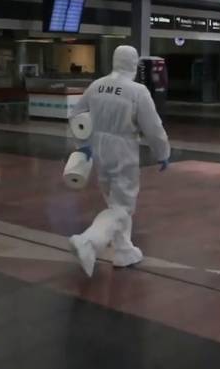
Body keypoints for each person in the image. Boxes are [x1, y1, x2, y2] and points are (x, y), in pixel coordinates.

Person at [67, 45, 170, 277]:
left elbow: (77, 116)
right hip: (122, 150)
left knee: (114, 201)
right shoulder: (137, 91)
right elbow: (153, 128)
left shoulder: (97, 85)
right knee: (122, 206)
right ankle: (88, 241)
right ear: (133, 64)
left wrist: (83, 145)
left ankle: (123, 251)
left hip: (98, 149)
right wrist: (162, 152)